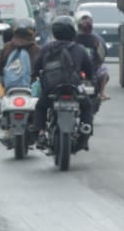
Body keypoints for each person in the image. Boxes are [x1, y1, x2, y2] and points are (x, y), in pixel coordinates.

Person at [32, 15, 98, 147]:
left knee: (40, 107)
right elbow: (90, 71)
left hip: (51, 88)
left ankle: (40, 132)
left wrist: (34, 76)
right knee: (87, 106)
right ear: (72, 31)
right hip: (74, 87)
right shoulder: (80, 49)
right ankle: (85, 129)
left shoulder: (46, 48)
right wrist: (91, 80)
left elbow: (36, 67)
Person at [74, 13, 111, 99]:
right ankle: (102, 93)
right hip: (78, 68)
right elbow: (104, 55)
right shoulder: (73, 38)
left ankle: (102, 92)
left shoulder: (96, 39)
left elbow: (103, 54)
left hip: (89, 68)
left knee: (104, 71)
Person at [0, 22, 39, 92]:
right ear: (32, 34)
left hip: (9, 89)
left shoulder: (7, 47)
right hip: (31, 89)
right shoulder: (36, 49)